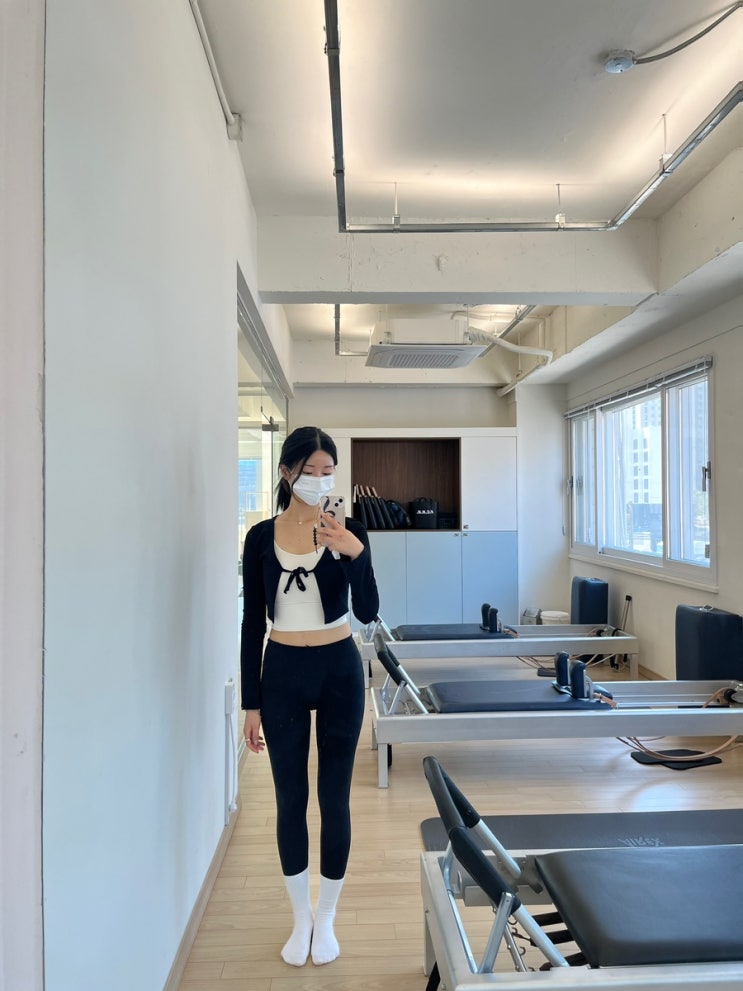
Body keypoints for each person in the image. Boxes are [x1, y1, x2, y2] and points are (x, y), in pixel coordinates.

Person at [240, 426, 379, 967]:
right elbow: (253, 623)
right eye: (310, 471)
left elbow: (368, 611)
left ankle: (328, 917)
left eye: (329, 471)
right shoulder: (260, 537)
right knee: (290, 799)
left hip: (339, 668)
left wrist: (354, 553)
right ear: (286, 472)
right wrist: (250, 702)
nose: (320, 480)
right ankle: (301, 918)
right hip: (282, 673)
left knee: (334, 798)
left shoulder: (349, 530)